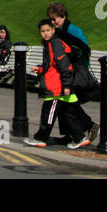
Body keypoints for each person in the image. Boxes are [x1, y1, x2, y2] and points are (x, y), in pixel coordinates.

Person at [23, 19, 88, 149]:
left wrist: (67, 85)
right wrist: (40, 69)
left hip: (56, 88)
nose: (46, 33)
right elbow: (51, 66)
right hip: (57, 86)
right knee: (67, 112)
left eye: (48, 30)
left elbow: (65, 66)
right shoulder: (50, 45)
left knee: (48, 113)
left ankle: (41, 138)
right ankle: (80, 137)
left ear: (53, 30)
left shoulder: (55, 45)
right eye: (43, 31)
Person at [46, 2, 99, 143]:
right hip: (63, 73)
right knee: (64, 102)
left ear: (63, 16)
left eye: (55, 18)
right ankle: (73, 133)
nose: (53, 21)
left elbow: (85, 50)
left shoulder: (74, 31)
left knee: (65, 102)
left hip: (74, 73)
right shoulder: (56, 32)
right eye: (51, 19)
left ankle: (87, 126)